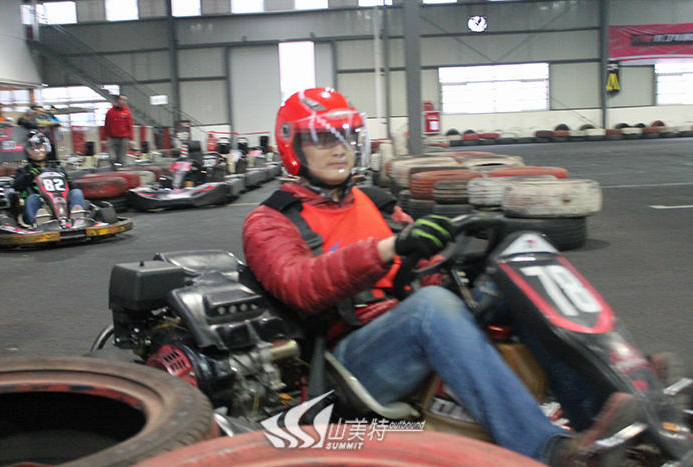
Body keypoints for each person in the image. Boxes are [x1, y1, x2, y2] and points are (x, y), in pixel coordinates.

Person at [242, 88, 642, 466]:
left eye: (345, 136)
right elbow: (299, 284)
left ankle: (608, 412)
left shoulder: (376, 203)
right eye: (323, 139)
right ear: (292, 147)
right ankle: (545, 449)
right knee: (430, 309)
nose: (339, 148)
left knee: (512, 272)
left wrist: (464, 269)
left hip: (409, 325)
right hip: (347, 363)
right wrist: (385, 250)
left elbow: (424, 267)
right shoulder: (271, 221)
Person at [13, 130, 85, 226]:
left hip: (61, 203)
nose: (37, 151)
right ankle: (40, 222)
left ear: (46, 147)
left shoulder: (57, 168)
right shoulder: (24, 170)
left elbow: (72, 187)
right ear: (27, 152)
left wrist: (67, 179)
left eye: (39, 147)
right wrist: (28, 176)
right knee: (32, 198)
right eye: (32, 149)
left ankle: (77, 218)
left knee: (76, 192)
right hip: (41, 206)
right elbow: (16, 186)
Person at [104, 94, 133, 168]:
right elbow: (106, 124)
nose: (123, 102)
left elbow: (129, 125)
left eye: (124, 100)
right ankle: (112, 167)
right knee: (112, 157)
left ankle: (122, 167)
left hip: (124, 137)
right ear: (117, 100)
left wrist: (131, 138)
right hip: (112, 137)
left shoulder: (127, 112)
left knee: (122, 157)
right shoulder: (110, 112)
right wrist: (105, 137)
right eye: (122, 100)